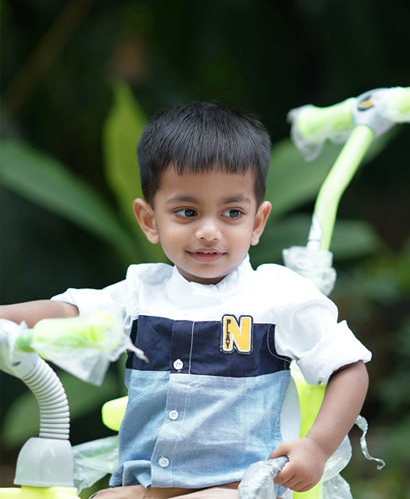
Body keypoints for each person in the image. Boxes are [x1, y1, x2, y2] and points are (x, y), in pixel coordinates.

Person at [0, 102, 371, 499]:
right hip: (143, 488)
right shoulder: (140, 291)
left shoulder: (276, 297)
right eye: (187, 211)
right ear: (149, 220)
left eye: (231, 212)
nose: (209, 231)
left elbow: (349, 366)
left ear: (257, 222)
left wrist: (316, 446)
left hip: (235, 489)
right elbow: (68, 311)